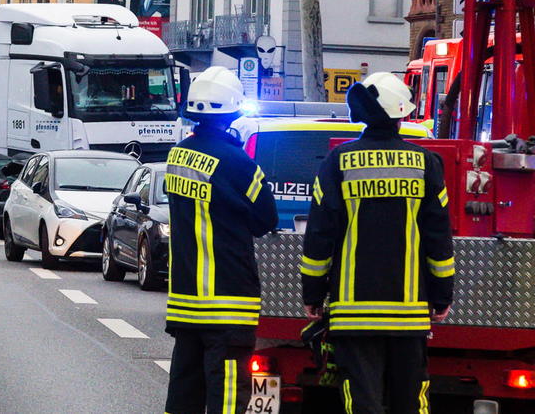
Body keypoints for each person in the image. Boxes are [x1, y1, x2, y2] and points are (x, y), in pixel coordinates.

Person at [302, 72, 454, 414]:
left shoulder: (337, 163)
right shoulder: (426, 164)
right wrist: (442, 295)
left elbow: (320, 236)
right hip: (409, 315)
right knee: (410, 401)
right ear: (401, 114)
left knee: (362, 401)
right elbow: (438, 238)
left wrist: (313, 293)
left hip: (354, 314)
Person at [165, 67, 278, 414]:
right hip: (228, 302)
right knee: (227, 393)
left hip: (185, 300)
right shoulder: (238, 162)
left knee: (185, 387)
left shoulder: (177, 155)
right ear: (233, 112)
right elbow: (266, 221)